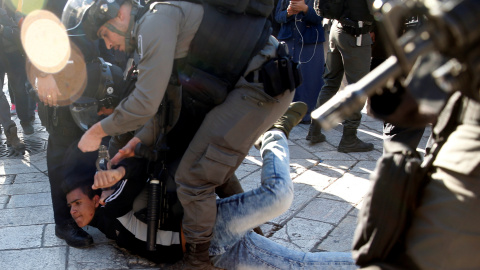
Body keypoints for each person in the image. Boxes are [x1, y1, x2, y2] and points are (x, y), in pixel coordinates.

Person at [62, 0, 298, 268]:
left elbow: (145, 103)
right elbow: (169, 106)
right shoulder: (152, 25)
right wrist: (139, 143)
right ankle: (246, 235)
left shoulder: (154, 21)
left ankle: (197, 262)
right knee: (202, 159)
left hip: (260, 85)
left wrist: (97, 131)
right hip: (247, 85)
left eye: (105, 34)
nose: (107, 44)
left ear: (118, 12)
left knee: (194, 177)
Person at [64, 102, 357, 269]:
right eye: (71, 207)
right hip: (214, 252)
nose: (75, 212)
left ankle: (273, 135)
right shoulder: (101, 222)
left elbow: (137, 173)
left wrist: (115, 174)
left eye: (77, 203)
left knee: (278, 196)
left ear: (94, 195)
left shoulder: (114, 201)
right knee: (301, 266)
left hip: (211, 225)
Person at [306, 0, 375, 153]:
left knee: (330, 82)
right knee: (359, 88)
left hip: (336, 29)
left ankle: (314, 130)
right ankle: (349, 139)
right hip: (356, 34)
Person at [275, 0, 325, 123]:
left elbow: (321, 17)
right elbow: (277, 17)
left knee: (311, 78)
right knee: (288, 77)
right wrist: (287, 13)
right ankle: (288, 112)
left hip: (311, 41)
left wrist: (305, 9)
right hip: (289, 39)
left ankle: (310, 114)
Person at [0, 5, 36, 135]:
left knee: (20, 90)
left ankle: (25, 121)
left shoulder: (12, 7)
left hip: (14, 55)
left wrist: (3, 29)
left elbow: (20, 32)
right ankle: (8, 127)